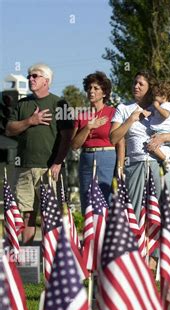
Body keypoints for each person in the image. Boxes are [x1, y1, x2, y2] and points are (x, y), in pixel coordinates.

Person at [5, 63, 74, 243]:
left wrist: (58, 162)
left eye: (35, 76)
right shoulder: (22, 104)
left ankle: (51, 262)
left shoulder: (60, 103)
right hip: (24, 168)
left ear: (47, 80)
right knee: (27, 215)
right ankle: (27, 263)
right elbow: (9, 129)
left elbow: (67, 137)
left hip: (49, 169)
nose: (30, 79)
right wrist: (30, 120)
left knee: (49, 216)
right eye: (29, 76)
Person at [109, 71, 170, 218]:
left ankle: (160, 242)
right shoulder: (123, 108)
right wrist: (130, 119)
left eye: (141, 84)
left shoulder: (162, 108)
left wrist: (163, 137)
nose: (136, 86)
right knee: (135, 214)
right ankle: (137, 241)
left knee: (161, 215)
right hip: (135, 165)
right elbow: (113, 138)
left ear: (150, 88)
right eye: (134, 83)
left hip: (161, 164)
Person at [71, 71, 118, 213]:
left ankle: (105, 233)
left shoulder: (113, 113)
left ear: (104, 93)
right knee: (87, 200)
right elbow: (74, 145)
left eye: (96, 88)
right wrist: (88, 127)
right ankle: (90, 234)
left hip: (107, 158)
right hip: (86, 158)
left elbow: (120, 141)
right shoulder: (82, 115)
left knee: (105, 199)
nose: (91, 91)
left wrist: (121, 166)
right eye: (89, 88)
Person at [148, 80, 170, 173]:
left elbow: (166, 114)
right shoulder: (163, 106)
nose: (154, 98)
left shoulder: (167, 106)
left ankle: (166, 158)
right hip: (162, 133)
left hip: (164, 133)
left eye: (155, 96)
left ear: (164, 96)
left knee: (150, 145)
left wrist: (157, 107)